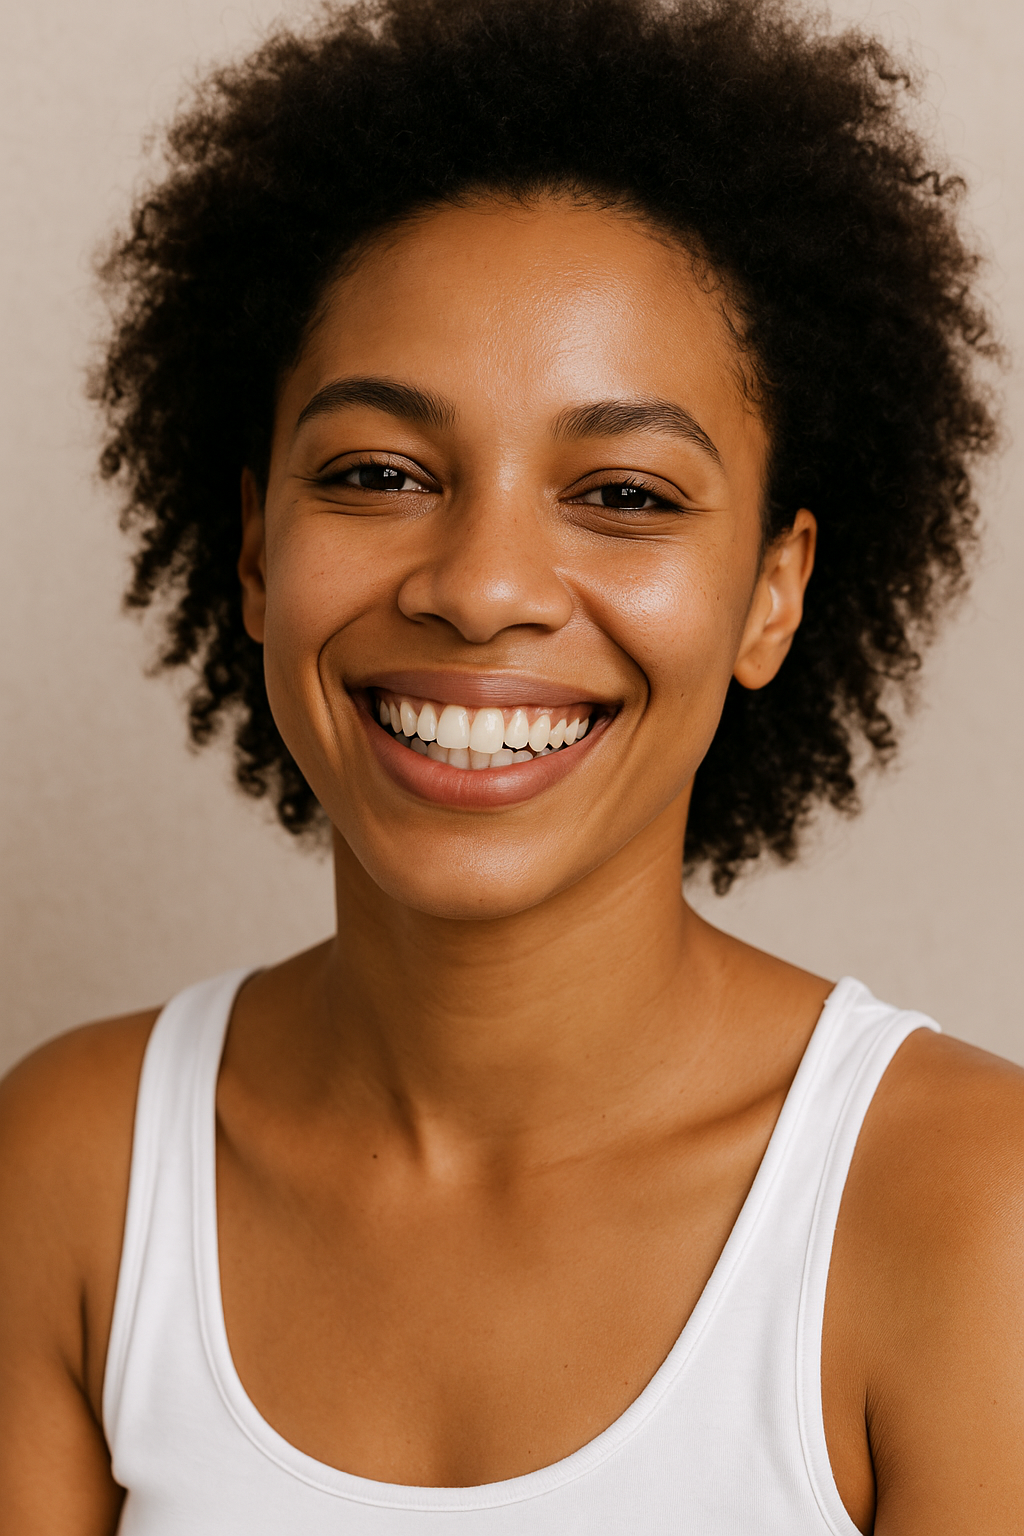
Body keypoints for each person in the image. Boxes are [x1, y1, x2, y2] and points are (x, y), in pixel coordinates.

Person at [1, 0, 1021, 1529]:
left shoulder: (965, 1213)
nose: (482, 587)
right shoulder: (71, 1171)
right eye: (378, 474)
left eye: (619, 490)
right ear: (258, 552)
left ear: (772, 592)